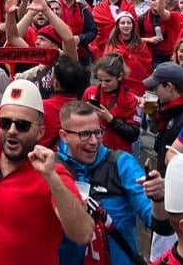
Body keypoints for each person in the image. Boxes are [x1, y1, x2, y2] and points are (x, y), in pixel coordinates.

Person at [0, 80, 94, 265]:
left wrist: (52, 178)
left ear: (40, 132)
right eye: (5, 123)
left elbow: (83, 233)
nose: (12, 131)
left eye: (22, 125)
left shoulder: (53, 173)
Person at [55, 100, 156, 265]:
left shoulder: (122, 164)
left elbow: (157, 222)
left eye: (98, 132)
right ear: (64, 136)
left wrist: (158, 199)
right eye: (85, 134)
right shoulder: (52, 169)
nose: (94, 141)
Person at [143, 63, 183, 172]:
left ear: (169, 86)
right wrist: (151, 114)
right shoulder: (169, 110)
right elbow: (159, 133)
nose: (154, 92)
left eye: (156, 87)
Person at [83, 54, 143, 154]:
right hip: (93, 150)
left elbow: (133, 135)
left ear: (119, 76)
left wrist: (111, 119)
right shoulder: (90, 92)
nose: (103, 85)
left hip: (117, 154)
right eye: (100, 80)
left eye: (108, 81)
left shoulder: (130, 99)